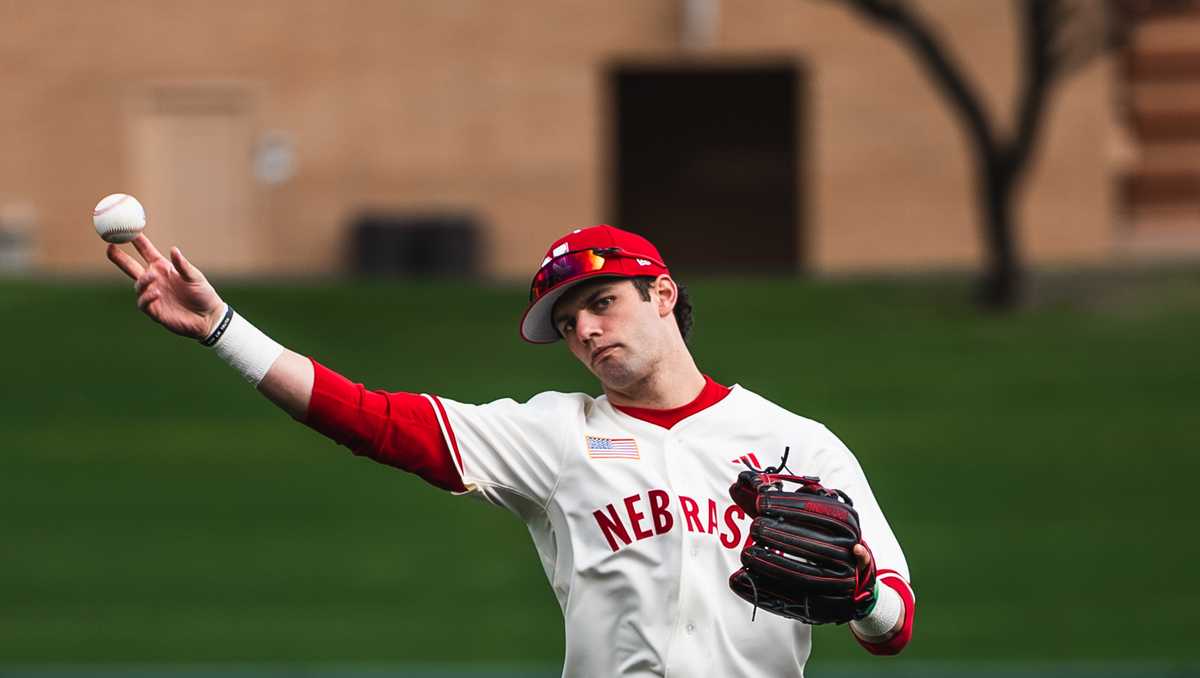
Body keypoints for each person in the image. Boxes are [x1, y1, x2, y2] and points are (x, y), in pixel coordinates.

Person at [106, 224, 915, 677]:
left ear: (662, 295)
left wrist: (860, 600)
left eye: (601, 303)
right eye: (568, 325)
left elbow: (894, 626)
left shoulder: (797, 444)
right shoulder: (556, 434)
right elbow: (372, 420)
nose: (586, 331)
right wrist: (222, 330)